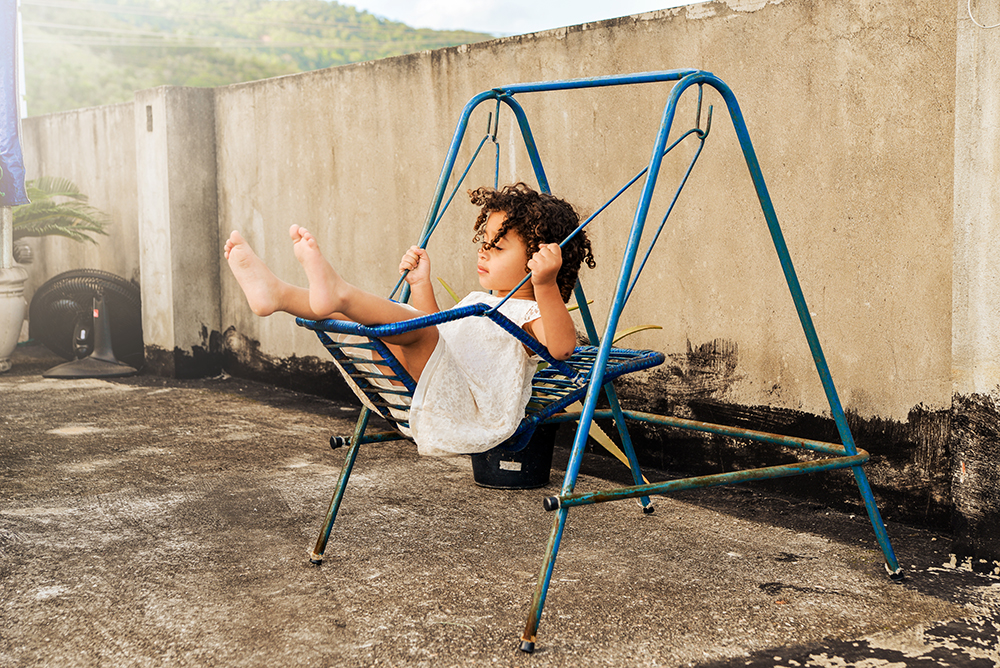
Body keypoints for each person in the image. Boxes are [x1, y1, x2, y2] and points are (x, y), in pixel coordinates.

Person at [224, 182, 595, 455]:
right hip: (423, 384)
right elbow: (441, 334)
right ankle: (280, 294)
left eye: (496, 248)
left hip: (469, 411)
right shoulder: (478, 300)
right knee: (377, 320)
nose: (482, 253)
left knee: (411, 328)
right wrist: (421, 284)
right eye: (482, 243)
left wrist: (544, 285)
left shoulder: (529, 311)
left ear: (539, 260)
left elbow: (562, 348)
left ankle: (335, 291)